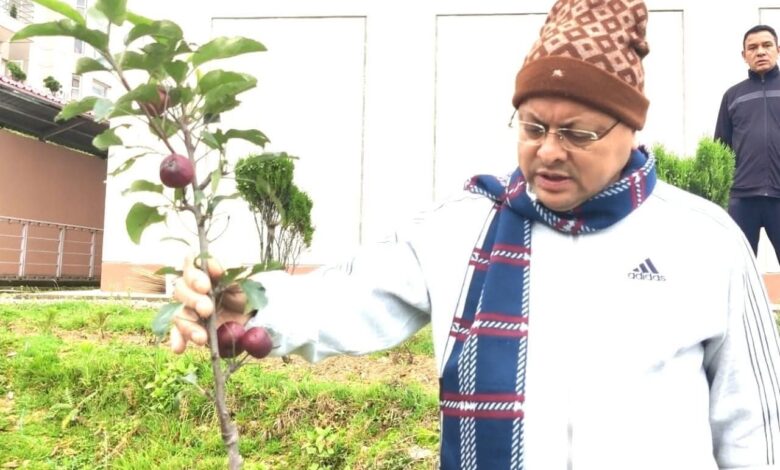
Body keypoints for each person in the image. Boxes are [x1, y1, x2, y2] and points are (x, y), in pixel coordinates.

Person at [172, 1, 780, 468]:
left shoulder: (705, 241)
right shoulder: (464, 227)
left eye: (577, 133)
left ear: (629, 130)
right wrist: (245, 304)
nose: (547, 151)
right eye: (532, 124)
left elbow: (752, 424)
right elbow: (346, 295)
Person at [715, 24, 780, 262]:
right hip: (742, 198)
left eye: (766, 45)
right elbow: (721, 149)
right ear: (744, 56)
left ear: (778, 49)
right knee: (739, 268)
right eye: (752, 48)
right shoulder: (733, 96)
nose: (760, 52)